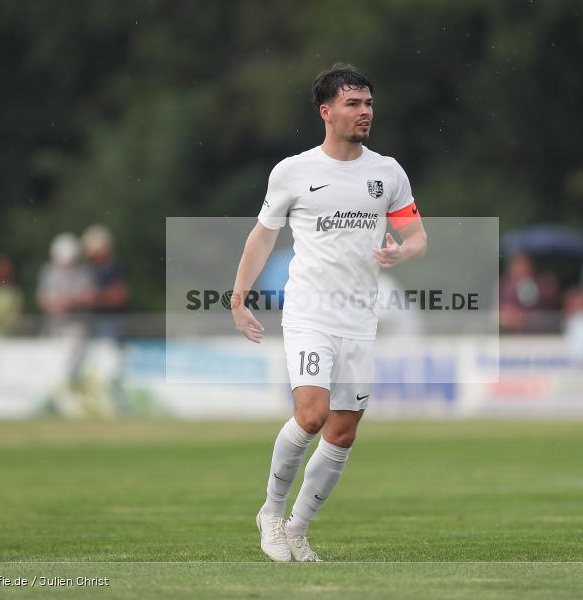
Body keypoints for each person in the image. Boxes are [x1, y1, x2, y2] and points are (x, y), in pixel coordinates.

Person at [231, 64, 427, 562]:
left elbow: (417, 237)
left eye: (368, 104)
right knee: (312, 415)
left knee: (343, 429)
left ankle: (298, 529)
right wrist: (239, 297)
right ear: (326, 111)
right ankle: (272, 514)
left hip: (360, 318)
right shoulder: (293, 171)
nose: (365, 113)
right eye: (353, 104)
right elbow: (263, 236)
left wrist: (401, 253)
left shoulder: (387, 172)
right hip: (310, 311)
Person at [37, 232, 96, 337]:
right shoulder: (49, 273)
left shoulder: (84, 272)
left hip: (79, 327)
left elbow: (91, 297)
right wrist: (60, 303)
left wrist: (75, 301)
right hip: (54, 327)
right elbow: (43, 300)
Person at [81, 224, 130, 339]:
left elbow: (120, 296)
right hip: (94, 325)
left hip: (112, 325)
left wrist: (95, 298)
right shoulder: (92, 269)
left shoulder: (115, 268)